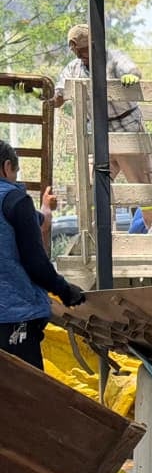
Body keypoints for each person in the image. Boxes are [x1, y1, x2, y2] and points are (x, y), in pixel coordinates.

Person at [53, 24, 152, 228]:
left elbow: (132, 70)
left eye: (84, 50)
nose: (81, 56)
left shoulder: (112, 58)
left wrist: (131, 77)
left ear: (94, 45)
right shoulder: (73, 68)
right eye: (77, 52)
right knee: (96, 185)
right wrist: (56, 97)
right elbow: (60, 91)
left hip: (127, 129)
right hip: (100, 135)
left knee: (140, 185)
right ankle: (100, 232)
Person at [1, 140, 86, 370]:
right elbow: (35, 263)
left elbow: (41, 222)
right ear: (7, 167)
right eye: (15, 173)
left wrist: (46, 207)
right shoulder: (15, 200)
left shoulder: (16, 205)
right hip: (13, 318)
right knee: (29, 398)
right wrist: (65, 290)